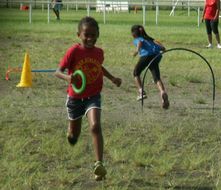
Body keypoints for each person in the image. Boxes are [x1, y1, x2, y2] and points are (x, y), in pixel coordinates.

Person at [54, 17, 122, 181]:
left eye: (93, 34)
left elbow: (99, 66)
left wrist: (112, 78)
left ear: (98, 34)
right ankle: (70, 133)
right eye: (86, 35)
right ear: (79, 34)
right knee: (73, 135)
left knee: (96, 126)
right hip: (75, 98)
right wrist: (68, 78)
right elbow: (57, 71)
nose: (90, 38)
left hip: (93, 96)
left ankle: (99, 164)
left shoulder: (99, 52)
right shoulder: (73, 52)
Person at [131, 25, 169, 109]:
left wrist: (137, 50)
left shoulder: (137, 39)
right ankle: (162, 92)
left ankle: (141, 92)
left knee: (136, 72)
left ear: (133, 34)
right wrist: (162, 47)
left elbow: (140, 42)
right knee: (156, 77)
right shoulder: (149, 38)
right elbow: (157, 42)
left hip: (147, 56)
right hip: (156, 55)